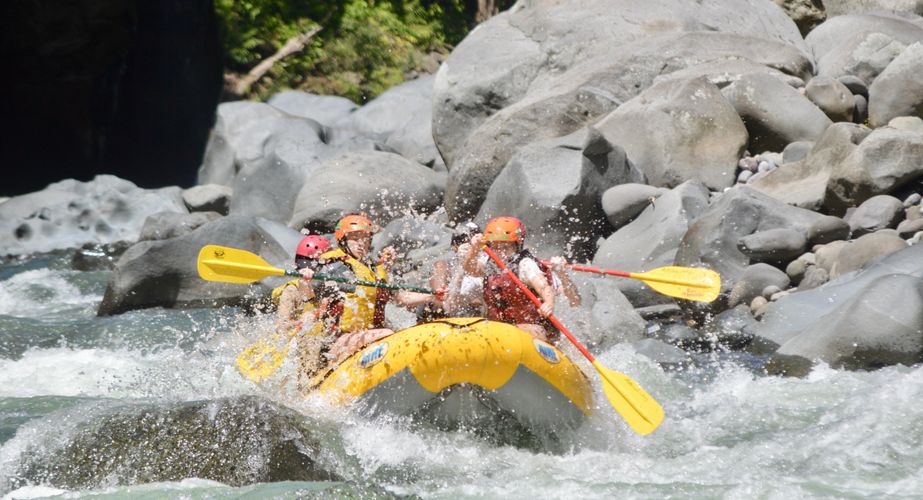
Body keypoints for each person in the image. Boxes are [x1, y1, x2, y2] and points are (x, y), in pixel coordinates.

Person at [302, 214, 435, 367]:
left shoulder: (375, 270)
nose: (360, 243)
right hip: (340, 340)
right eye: (355, 238)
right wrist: (306, 280)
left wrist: (431, 297)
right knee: (387, 334)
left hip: (369, 334)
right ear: (342, 240)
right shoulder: (334, 267)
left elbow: (401, 298)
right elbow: (310, 298)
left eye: (365, 239)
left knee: (408, 333)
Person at [463, 216, 579, 342]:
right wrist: (474, 249)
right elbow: (470, 269)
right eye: (495, 247)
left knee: (530, 331)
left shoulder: (525, 265)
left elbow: (544, 287)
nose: (500, 251)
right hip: (500, 327)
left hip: (533, 329)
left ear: (517, 246)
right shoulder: (488, 262)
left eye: (505, 247)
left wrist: (549, 303)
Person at [272, 234, 331, 336]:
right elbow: (280, 327)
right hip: (301, 339)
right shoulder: (291, 290)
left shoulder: (329, 286)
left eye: (314, 265)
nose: (308, 269)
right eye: (303, 263)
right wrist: (300, 322)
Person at [428, 222, 484, 318]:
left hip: (476, 314)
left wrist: (469, 258)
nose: (468, 244)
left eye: (473, 241)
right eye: (462, 240)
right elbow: (442, 300)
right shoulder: (442, 267)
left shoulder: (485, 265)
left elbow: (481, 302)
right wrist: (461, 268)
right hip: (449, 316)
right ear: (454, 246)